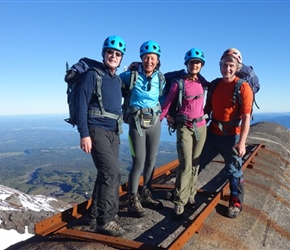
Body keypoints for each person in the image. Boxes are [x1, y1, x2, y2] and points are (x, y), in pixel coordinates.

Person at [74, 35, 126, 236]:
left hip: (113, 132)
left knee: (108, 173)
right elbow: (81, 104)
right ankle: (106, 220)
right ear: (103, 54)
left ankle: (95, 214)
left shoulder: (115, 80)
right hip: (96, 131)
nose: (113, 56)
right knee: (111, 173)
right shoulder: (92, 75)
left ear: (121, 58)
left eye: (117, 54)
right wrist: (84, 134)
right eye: (110, 52)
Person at [201, 48, 253, 218]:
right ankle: (184, 194)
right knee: (198, 162)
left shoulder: (243, 88)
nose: (227, 69)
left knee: (233, 170)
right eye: (224, 65)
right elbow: (208, 108)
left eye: (231, 65)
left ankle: (236, 201)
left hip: (232, 136)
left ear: (237, 67)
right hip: (213, 133)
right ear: (220, 65)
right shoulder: (215, 84)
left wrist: (242, 142)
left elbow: (246, 117)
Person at [160, 48, 208, 218]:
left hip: (201, 127)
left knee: (195, 163)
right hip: (185, 127)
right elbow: (165, 106)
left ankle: (191, 195)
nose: (195, 65)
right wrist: (159, 120)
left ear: (201, 65)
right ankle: (180, 201)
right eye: (192, 62)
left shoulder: (203, 82)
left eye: (197, 62)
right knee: (186, 164)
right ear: (187, 64)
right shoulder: (178, 83)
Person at [119, 40, 165, 218]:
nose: (149, 61)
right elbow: (112, 82)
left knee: (151, 161)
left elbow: (165, 94)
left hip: (155, 122)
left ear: (157, 60)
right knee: (138, 162)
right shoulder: (130, 76)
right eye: (146, 58)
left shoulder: (160, 78)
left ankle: (146, 193)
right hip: (137, 123)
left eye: (152, 58)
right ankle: (133, 199)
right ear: (141, 59)